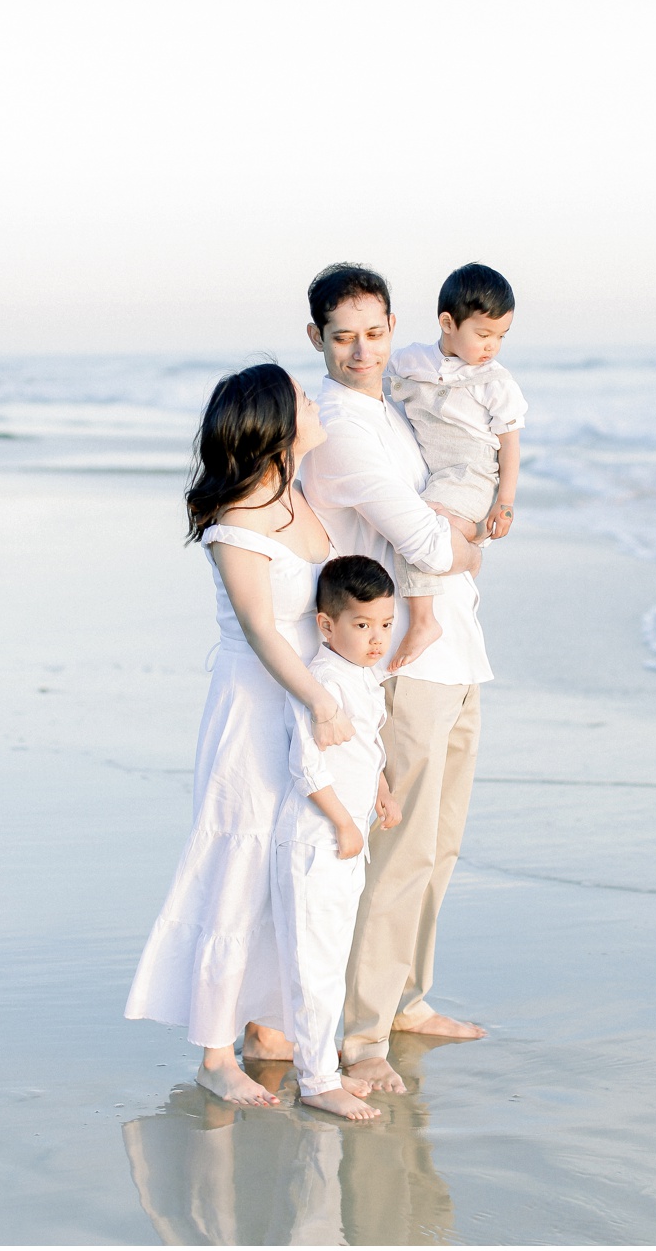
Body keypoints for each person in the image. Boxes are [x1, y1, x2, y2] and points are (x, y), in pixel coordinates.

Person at [125, 363, 369, 1108]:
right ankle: (212, 1051)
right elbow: (265, 631)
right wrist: (320, 705)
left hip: (307, 700)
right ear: (275, 422)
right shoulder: (238, 518)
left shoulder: (299, 497)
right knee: (238, 859)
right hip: (256, 706)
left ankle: (269, 1025)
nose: (313, 400)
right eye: (300, 395)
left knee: (287, 862)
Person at [300, 263, 492, 1096]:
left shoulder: (396, 411)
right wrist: (464, 539)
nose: (362, 349)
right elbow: (426, 536)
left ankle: (407, 996)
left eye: (375, 331)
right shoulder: (338, 425)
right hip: (401, 661)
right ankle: (362, 1032)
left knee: (439, 845)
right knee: (399, 850)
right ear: (318, 339)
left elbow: (468, 500)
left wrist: (465, 535)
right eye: (343, 334)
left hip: (456, 652)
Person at [272, 555, 403, 1121]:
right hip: (316, 841)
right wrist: (346, 824)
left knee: (331, 953)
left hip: (346, 840)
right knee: (315, 963)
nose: (377, 639)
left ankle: (320, 1064)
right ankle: (317, 1081)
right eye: (362, 625)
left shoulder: (362, 676)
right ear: (327, 626)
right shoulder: (322, 680)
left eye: (385, 625)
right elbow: (306, 768)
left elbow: (364, 744)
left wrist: (380, 790)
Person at [386, 262, 527, 670]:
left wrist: (506, 502)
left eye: (501, 336)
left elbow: (509, 446)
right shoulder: (412, 361)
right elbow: (378, 382)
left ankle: (425, 621)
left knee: (423, 524)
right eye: (483, 334)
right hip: (438, 471)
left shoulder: (495, 382)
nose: (492, 346)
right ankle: (466, 547)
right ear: (448, 323)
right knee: (428, 526)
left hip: (474, 472)